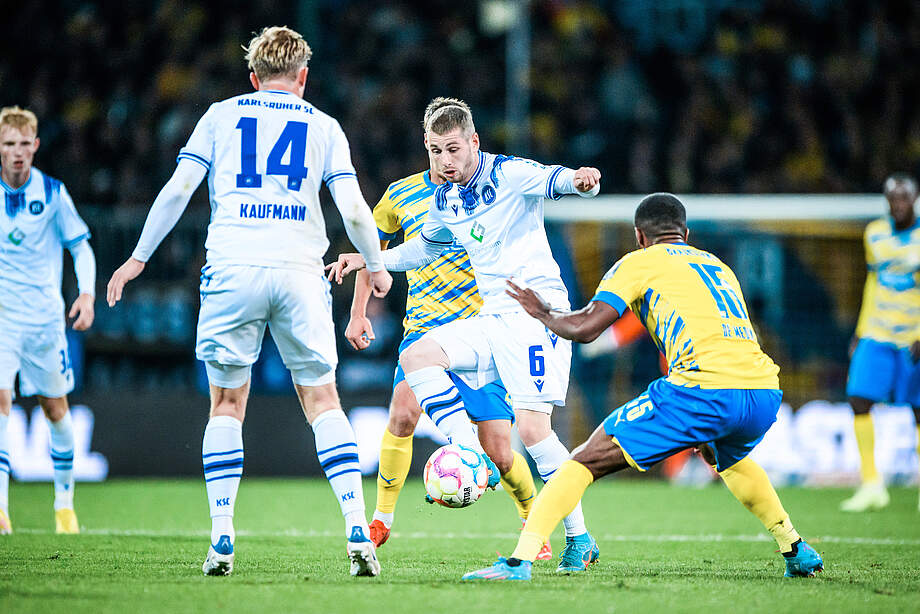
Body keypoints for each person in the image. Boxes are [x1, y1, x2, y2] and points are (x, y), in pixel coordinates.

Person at [106, 26, 391, 577]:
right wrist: (376, 268)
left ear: (253, 77)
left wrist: (138, 257)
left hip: (232, 268)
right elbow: (355, 210)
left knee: (226, 405)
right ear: (304, 77)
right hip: (300, 272)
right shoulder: (324, 126)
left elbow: (177, 190)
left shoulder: (219, 115)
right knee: (324, 401)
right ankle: (357, 527)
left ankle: (221, 537)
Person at [461, 193, 824, 581]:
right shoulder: (717, 265)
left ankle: (519, 561)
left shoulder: (637, 263)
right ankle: (796, 548)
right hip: (763, 391)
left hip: (701, 389)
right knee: (728, 459)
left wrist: (543, 313)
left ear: (639, 236)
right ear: (686, 233)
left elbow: (585, 328)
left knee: (582, 462)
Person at [328, 101, 601, 571]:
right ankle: (464, 447)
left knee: (534, 433)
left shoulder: (511, 175)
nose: (444, 161)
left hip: (535, 314)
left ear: (474, 142)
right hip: (492, 318)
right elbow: (421, 249)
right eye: (435, 151)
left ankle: (579, 537)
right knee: (418, 355)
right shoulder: (446, 200)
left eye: (452, 149)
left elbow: (558, 180)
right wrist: (369, 260)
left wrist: (582, 181)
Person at [0, 105, 96, 535]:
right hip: (3, 317)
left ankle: (64, 506)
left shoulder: (54, 193)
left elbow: (81, 247)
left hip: (44, 321)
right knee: (1, 401)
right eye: (8, 144)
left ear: (35, 146)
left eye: (23, 144)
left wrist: (88, 294)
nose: (17, 152)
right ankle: (1, 509)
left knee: (56, 410)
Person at [841, 174, 920, 512]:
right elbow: (874, 281)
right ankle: (872, 484)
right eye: (892, 199)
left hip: (912, 336)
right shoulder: (874, 232)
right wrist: (860, 330)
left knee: (918, 409)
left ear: (915, 198)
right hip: (877, 331)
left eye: (903, 198)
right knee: (858, 398)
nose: (897, 205)